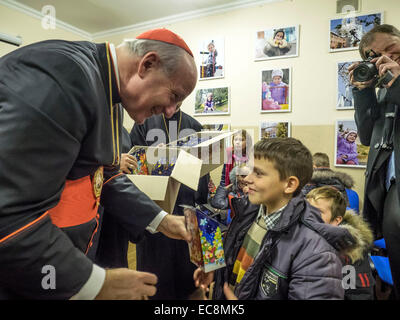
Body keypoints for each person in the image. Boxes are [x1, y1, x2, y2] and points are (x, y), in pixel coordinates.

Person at [0, 28, 198, 299]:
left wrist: (163, 221)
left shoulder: (110, 95)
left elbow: (106, 177)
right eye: (175, 96)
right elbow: (8, 214)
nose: (171, 111)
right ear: (147, 64)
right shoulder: (63, 75)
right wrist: (93, 282)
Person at [194, 138, 356, 300]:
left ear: (290, 184)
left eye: (258, 173)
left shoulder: (318, 255)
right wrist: (217, 271)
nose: (247, 179)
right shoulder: (250, 212)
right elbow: (242, 263)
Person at [130, 106, 210, 299]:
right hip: (155, 214)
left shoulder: (194, 126)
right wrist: (152, 162)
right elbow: (132, 169)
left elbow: (203, 178)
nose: (171, 106)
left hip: (187, 212)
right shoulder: (143, 123)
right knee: (156, 284)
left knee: (189, 283)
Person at [348, 23, 400, 298]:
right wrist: (362, 90)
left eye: (396, 53)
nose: (390, 62)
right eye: (379, 59)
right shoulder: (386, 92)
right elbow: (367, 136)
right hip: (389, 193)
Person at [306, 186, 375, 300]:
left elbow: (357, 294)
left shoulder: (350, 251)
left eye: (317, 212)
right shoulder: (298, 238)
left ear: (336, 220)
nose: (308, 217)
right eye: (306, 210)